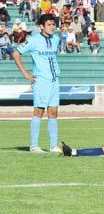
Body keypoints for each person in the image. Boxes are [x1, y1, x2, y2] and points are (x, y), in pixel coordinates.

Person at [12, 14, 62, 153]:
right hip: (41, 80)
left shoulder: (56, 39)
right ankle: (34, 145)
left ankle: (53, 146)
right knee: (39, 111)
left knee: (53, 111)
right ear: (41, 26)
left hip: (54, 79)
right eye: (49, 25)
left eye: (53, 24)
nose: (52, 27)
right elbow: (16, 54)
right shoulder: (33, 40)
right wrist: (25, 73)